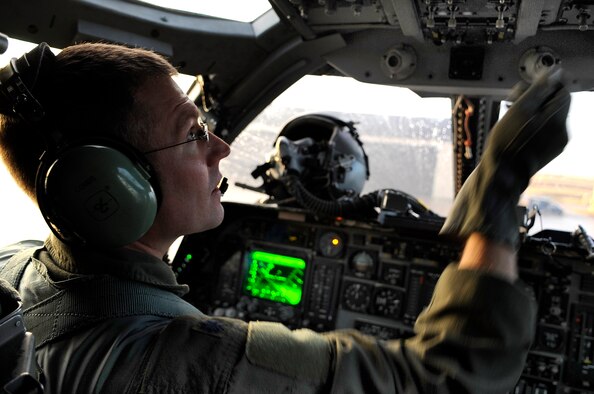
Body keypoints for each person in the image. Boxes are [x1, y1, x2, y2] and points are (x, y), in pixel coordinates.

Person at [0, 42, 570, 393]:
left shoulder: (16, 271)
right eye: (193, 132)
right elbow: (448, 381)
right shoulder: (181, 364)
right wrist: (498, 192)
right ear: (110, 187)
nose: (220, 147)